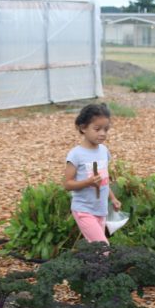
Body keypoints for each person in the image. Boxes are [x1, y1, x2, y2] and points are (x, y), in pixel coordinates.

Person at [64, 102, 121, 244]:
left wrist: (113, 198)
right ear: (83, 128)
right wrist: (87, 182)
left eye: (106, 129)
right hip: (84, 210)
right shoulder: (76, 155)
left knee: (96, 250)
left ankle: (88, 266)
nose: (102, 133)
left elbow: (104, 180)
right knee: (103, 247)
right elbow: (67, 184)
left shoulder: (103, 151)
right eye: (97, 129)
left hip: (101, 210)